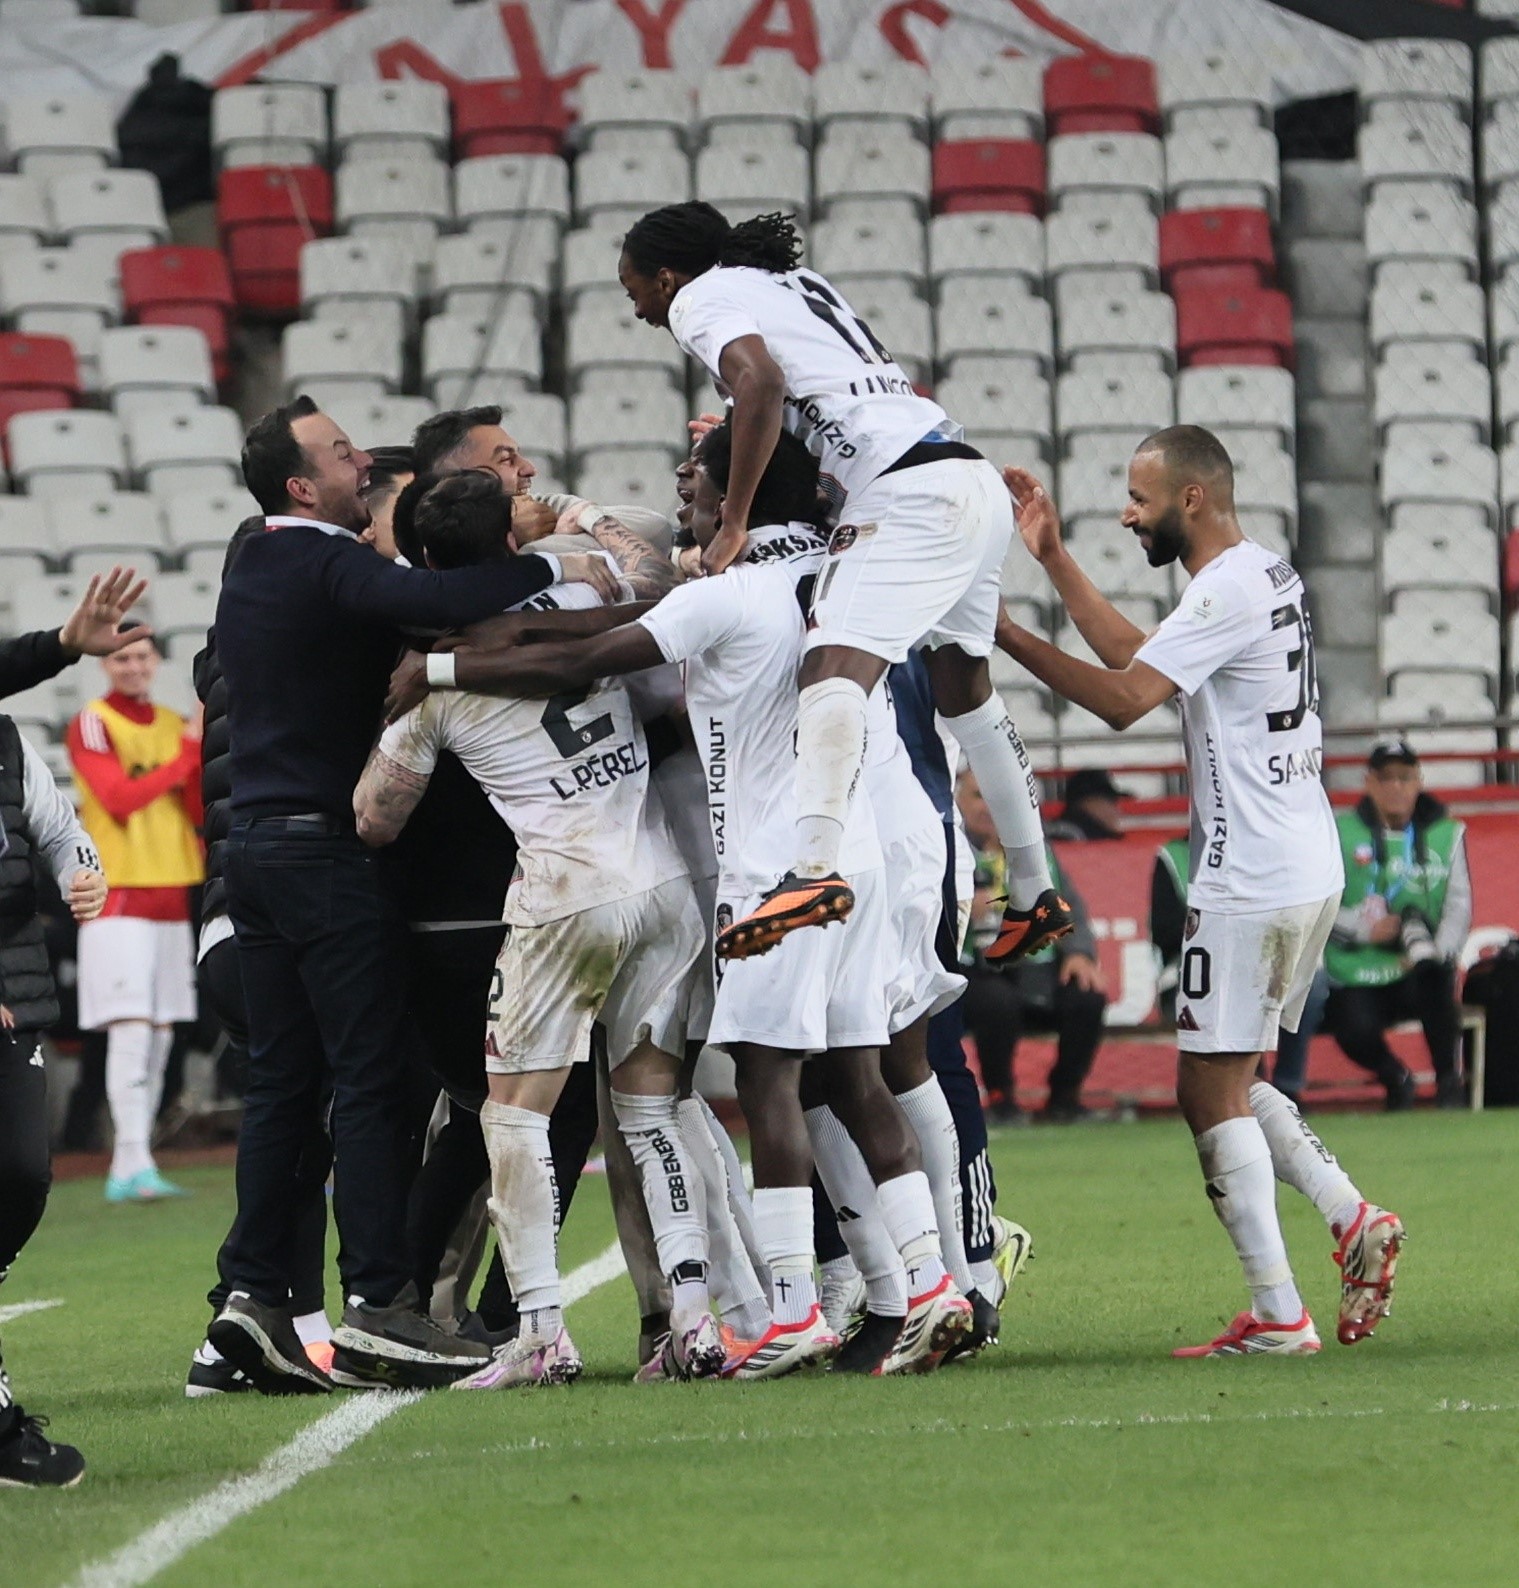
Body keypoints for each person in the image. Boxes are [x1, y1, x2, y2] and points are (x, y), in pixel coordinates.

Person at [387, 425, 975, 1378]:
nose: (689, 506)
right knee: (858, 1074)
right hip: (861, 851)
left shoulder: (726, 594)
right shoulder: (842, 573)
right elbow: (601, 624)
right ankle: (932, 1283)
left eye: (698, 488)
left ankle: (788, 1308)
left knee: (770, 1078)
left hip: (777, 865)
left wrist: (444, 668)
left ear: (743, 496)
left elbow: (591, 654)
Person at [206, 396, 620, 1397]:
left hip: (253, 852)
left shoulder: (254, 560)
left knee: (282, 1084)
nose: (360, 463)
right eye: (342, 453)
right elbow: (449, 599)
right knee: (370, 1083)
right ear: (302, 485)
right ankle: (383, 1304)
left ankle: (252, 1296)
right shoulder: (322, 558)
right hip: (319, 852)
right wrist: (556, 556)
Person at [996, 426, 1404, 1357]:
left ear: (1190, 498)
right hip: (1304, 866)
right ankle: (1348, 1219)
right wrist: (1054, 560)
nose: (1124, 511)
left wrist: (1003, 633)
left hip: (1246, 874)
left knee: (1205, 1092)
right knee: (1233, 1078)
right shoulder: (1263, 575)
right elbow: (1151, 661)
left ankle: (1277, 1311)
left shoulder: (1219, 589)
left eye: (1138, 497)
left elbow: (1122, 698)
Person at [617, 203, 1071, 965]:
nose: (636, 309)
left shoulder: (699, 299)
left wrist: (731, 520)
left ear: (665, 277)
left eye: (634, 290)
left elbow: (760, 382)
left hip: (904, 494)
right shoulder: (788, 281)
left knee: (832, 663)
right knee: (963, 687)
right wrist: (733, 425)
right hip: (962, 473)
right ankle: (1032, 887)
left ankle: (812, 869)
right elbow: (791, 393)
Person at [356, 471, 721, 1388]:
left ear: (429, 567)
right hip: (665, 884)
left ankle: (541, 1333)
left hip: (563, 897)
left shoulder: (434, 681)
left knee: (512, 1113)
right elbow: (657, 585)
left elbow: (375, 817)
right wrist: (578, 520)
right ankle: (695, 1321)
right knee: (649, 1110)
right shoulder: (582, 599)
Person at [0, 710, 107, 1486]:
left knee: (23, 1173)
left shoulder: (7, 742)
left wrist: (81, 873)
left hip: (15, 988)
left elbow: (62, 829)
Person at [67, 632, 204, 1203]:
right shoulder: (93, 721)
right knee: (129, 1029)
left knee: (161, 1032)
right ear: (104, 663)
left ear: (156, 661)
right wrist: (188, 755)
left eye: (142, 655)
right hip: (116, 890)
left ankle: (134, 1159)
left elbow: (195, 807)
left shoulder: (174, 725)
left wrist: (195, 754)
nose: (133, 665)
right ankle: (131, 1159)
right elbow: (118, 799)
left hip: (173, 888)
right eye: (121, 656)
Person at [1323, 739, 1471, 1110]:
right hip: (1359, 966)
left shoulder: (1448, 833)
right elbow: (1319, 906)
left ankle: (1449, 1083)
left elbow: (1459, 905)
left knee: (1438, 981)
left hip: (1417, 966)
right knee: (1350, 1026)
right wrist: (1364, 930)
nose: (1396, 788)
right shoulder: (1337, 832)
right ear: (1368, 782)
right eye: (1385, 778)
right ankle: (1395, 1075)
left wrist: (1434, 952)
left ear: (1419, 780)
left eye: (1404, 778)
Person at [960, 773, 1108, 1123]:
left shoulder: (1034, 850)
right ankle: (1001, 1099)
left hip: (1035, 967)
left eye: (996, 798)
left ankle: (1065, 1098)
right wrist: (961, 910)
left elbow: (1069, 904)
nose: (988, 808)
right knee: (996, 1002)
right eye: (979, 797)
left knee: (1086, 994)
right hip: (974, 970)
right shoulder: (945, 849)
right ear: (960, 802)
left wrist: (1078, 954)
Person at [411, 405, 675, 599]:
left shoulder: (535, 506)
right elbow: (652, 544)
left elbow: (656, 528)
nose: (529, 469)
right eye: (506, 460)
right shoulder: (417, 572)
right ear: (460, 479)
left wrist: (584, 513)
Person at [1045, 767, 1128, 841]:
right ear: (1088, 803)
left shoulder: (1088, 836)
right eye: (1111, 802)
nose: (1117, 810)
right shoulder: (1069, 835)